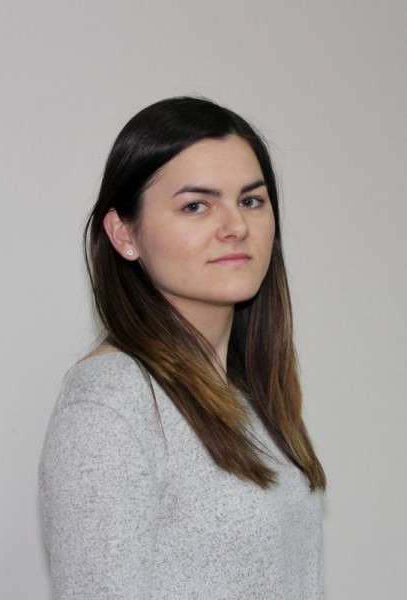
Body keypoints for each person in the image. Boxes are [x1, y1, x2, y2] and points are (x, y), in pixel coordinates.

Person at [39, 96, 326, 600]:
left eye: (251, 201)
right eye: (196, 205)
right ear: (124, 233)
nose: (236, 226)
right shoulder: (111, 402)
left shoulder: (250, 395)